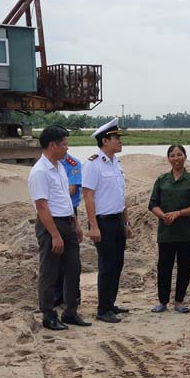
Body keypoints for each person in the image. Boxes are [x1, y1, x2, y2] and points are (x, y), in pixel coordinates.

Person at [27, 126, 90, 330]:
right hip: (50, 224)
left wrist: (75, 223)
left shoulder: (60, 167)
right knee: (50, 271)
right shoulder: (40, 172)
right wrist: (54, 234)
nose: (67, 148)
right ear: (52, 145)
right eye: (64, 144)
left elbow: (65, 198)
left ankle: (70, 311)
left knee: (73, 268)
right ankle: (48, 315)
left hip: (67, 221)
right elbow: (41, 206)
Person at [83, 118, 134, 324]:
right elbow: (88, 196)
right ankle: (103, 309)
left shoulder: (116, 163)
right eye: (116, 138)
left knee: (117, 263)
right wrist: (93, 226)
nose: (120, 141)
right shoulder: (93, 164)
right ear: (105, 141)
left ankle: (110, 302)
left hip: (117, 220)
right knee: (106, 265)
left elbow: (121, 196)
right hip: (102, 222)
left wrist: (126, 222)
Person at [148, 144, 190, 313]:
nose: (176, 158)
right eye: (172, 155)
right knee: (164, 267)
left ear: (185, 157)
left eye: (179, 155)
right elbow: (153, 204)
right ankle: (162, 302)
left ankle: (179, 302)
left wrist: (178, 213)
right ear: (168, 159)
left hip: (186, 233)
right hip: (166, 233)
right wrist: (163, 215)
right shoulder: (162, 180)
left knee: (184, 268)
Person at [51, 151, 84, 312]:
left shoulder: (73, 163)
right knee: (55, 257)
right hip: (53, 212)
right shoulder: (49, 164)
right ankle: (56, 296)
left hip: (70, 211)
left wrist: (54, 193)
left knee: (71, 259)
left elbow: (71, 190)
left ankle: (72, 297)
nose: (66, 147)